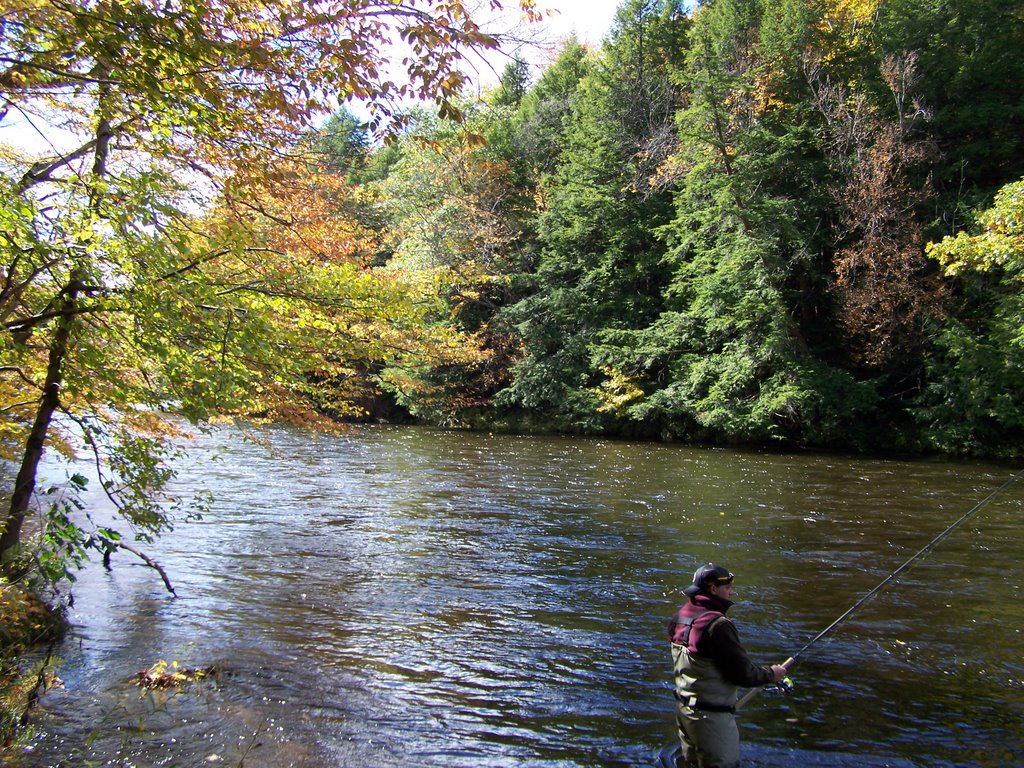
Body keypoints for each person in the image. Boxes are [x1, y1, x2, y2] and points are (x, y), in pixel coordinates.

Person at [667, 563, 787, 768]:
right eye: (728, 586)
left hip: (684, 713)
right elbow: (743, 675)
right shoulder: (719, 625)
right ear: (713, 589)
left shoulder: (680, 617)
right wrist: (772, 674)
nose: (731, 591)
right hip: (711, 720)